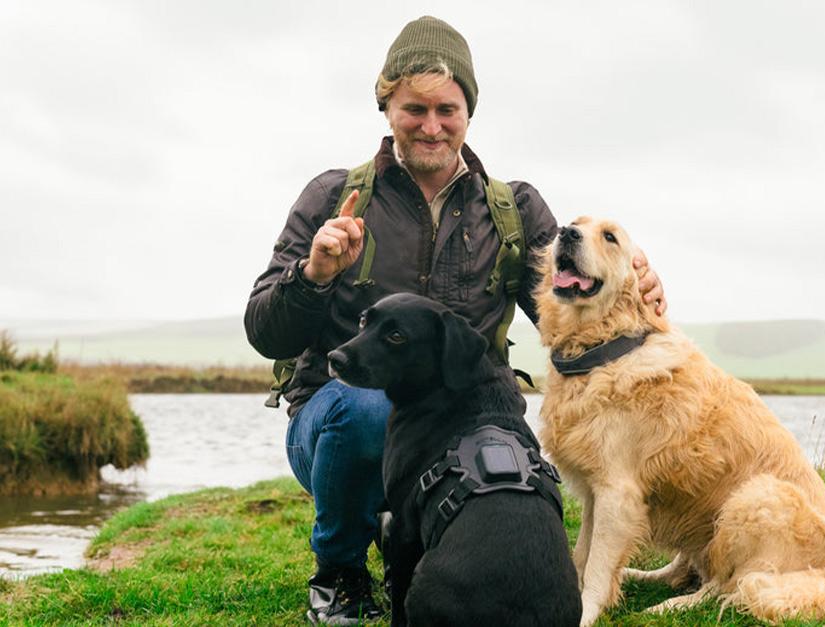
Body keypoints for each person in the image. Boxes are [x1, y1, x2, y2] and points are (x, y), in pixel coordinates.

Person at [244, 16, 665, 625]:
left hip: (471, 424)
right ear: (386, 105)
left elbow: (572, 305)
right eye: (414, 108)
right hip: (342, 423)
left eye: (448, 108)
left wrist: (631, 283)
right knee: (367, 410)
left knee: (513, 468)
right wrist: (314, 275)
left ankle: (430, 560)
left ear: (468, 111)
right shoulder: (332, 197)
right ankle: (339, 573)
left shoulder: (513, 209)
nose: (432, 125)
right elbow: (265, 332)